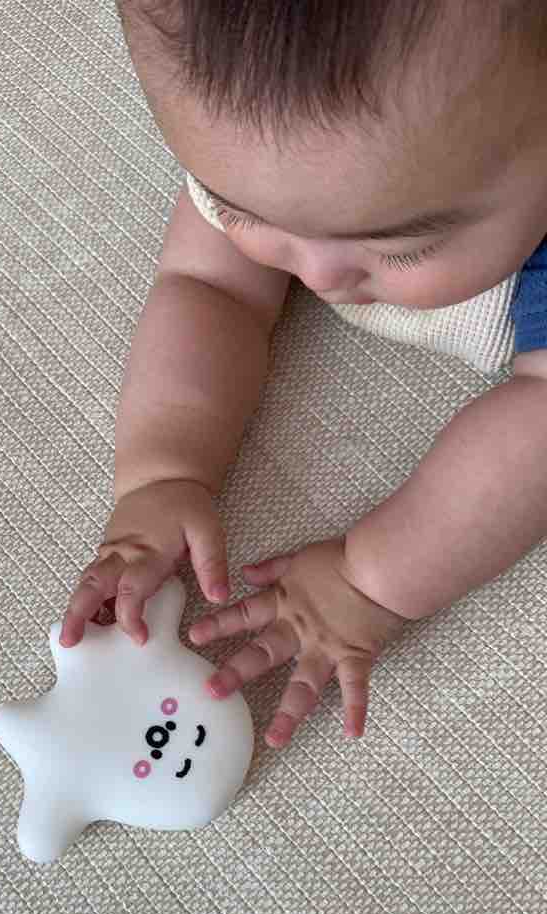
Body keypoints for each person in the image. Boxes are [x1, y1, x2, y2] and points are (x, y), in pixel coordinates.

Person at [61, 0, 547, 747]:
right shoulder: (268, 156)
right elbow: (207, 288)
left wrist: (371, 579)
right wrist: (164, 470)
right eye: (243, 210)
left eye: (405, 246)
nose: (317, 275)